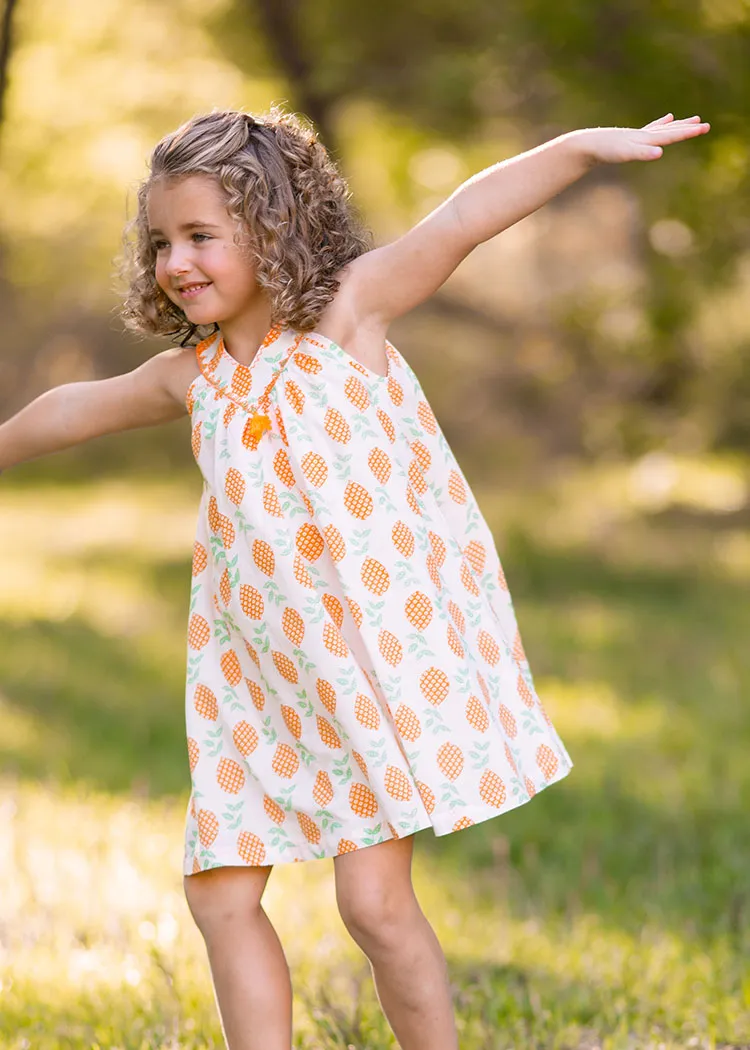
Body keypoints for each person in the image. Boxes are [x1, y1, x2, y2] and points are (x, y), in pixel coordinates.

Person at [0, 105, 709, 1050]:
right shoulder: (194, 376)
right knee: (218, 892)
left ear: (273, 228)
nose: (177, 261)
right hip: (255, 686)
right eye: (164, 240)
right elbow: (76, 409)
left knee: (373, 907)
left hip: (366, 671)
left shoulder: (347, 318)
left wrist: (579, 149)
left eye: (202, 236)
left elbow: (461, 220)